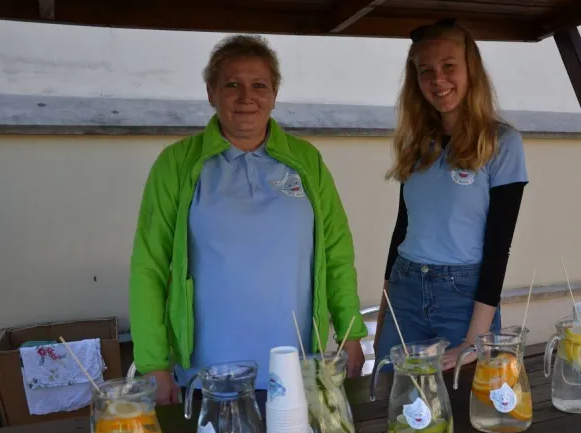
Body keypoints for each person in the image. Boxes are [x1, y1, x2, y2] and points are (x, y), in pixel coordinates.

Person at [129, 34, 367, 405]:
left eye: (259, 85)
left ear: (274, 94)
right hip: (209, 373)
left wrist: (350, 331)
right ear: (211, 92)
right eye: (232, 85)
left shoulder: (306, 161)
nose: (246, 97)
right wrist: (152, 363)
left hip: (296, 367)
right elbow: (150, 267)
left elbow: (336, 252)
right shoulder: (177, 164)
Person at [373, 19, 529, 370]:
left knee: (461, 397)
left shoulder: (501, 143)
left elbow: (498, 247)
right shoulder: (416, 142)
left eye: (448, 66)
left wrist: (474, 341)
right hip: (405, 290)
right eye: (425, 71)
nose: (438, 80)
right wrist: (384, 317)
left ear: (470, 69)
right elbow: (402, 230)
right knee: (394, 396)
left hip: (464, 298)